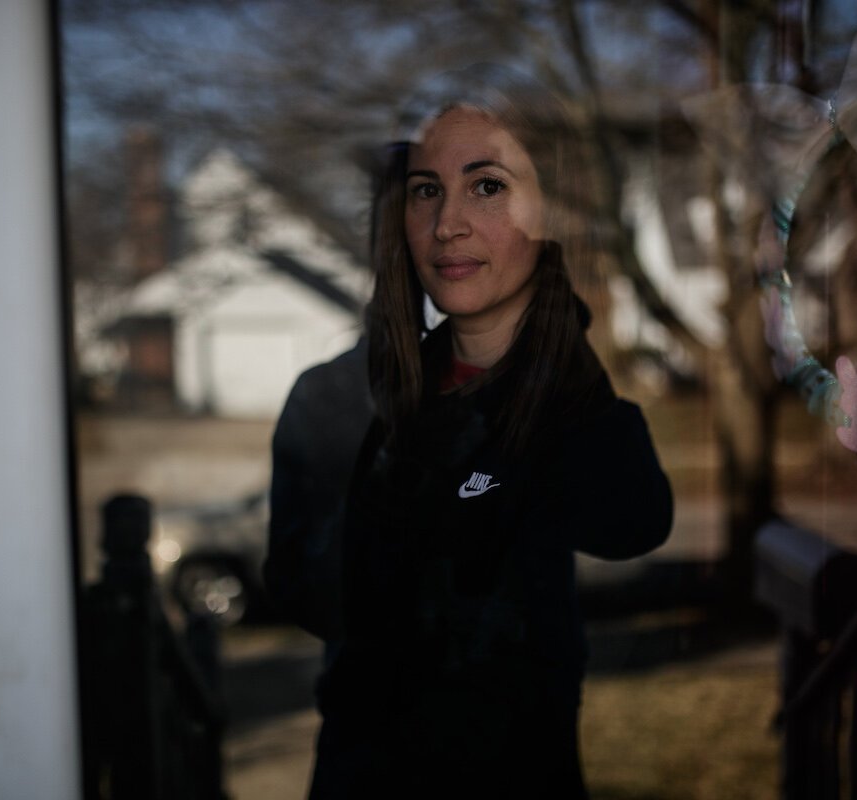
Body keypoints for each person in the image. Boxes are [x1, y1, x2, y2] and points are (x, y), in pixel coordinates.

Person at [270, 63, 673, 799]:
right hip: (372, 767)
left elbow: (632, 520)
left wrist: (554, 347)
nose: (447, 226)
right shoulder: (332, 399)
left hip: (526, 763)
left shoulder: (550, 388)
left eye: (485, 189)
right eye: (423, 196)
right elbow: (305, 589)